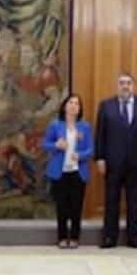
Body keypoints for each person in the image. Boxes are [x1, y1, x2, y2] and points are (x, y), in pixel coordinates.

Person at [95, 73, 137, 249]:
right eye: (122, 83)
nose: (125, 86)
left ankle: (134, 238)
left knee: (134, 202)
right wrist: (100, 158)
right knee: (111, 201)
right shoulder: (106, 106)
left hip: (135, 162)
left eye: (128, 83)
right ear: (117, 86)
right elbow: (100, 134)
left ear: (133, 86)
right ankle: (109, 237)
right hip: (112, 162)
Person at [43, 93, 93, 248]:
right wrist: (56, 145)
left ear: (79, 109)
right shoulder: (55, 125)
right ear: (65, 106)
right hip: (60, 172)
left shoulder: (85, 126)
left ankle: (75, 237)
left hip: (78, 172)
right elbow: (45, 144)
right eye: (71, 102)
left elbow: (90, 149)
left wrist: (81, 155)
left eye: (77, 103)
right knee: (62, 207)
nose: (73, 106)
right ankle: (62, 237)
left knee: (76, 207)